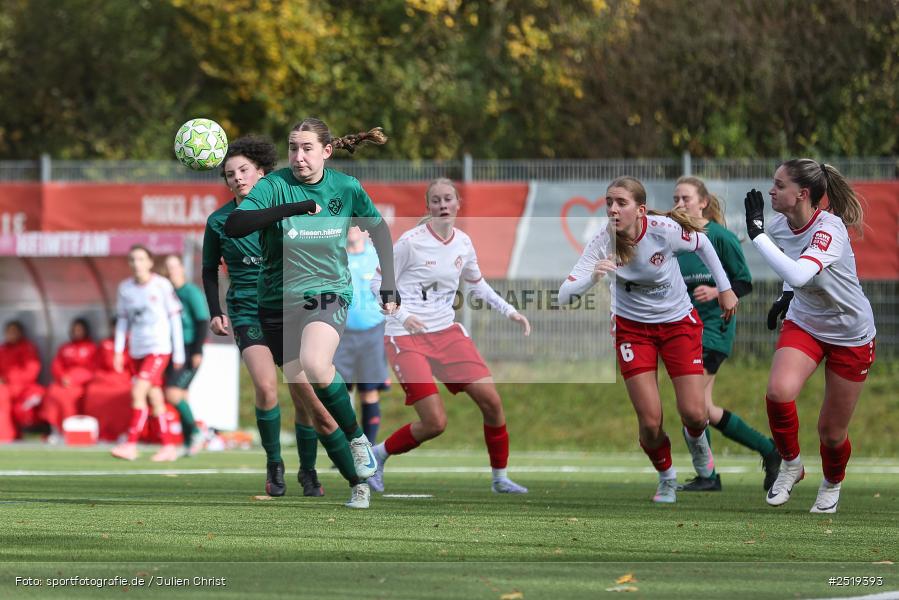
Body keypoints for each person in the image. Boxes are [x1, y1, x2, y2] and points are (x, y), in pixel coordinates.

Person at [224, 119, 400, 509]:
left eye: (307, 148)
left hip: (327, 292)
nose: (298, 156)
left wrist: (389, 281)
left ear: (326, 151)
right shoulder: (273, 186)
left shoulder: (346, 188)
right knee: (315, 410)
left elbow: (380, 229)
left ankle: (359, 442)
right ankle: (359, 482)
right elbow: (236, 224)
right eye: (293, 148)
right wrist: (296, 206)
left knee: (317, 363)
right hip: (274, 303)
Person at [559, 176, 738, 504]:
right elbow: (563, 296)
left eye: (621, 203)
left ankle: (698, 444)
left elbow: (704, 244)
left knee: (695, 413)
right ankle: (667, 476)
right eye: (609, 202)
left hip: (677, 325)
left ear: (640, 210)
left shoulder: (662, 230)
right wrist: (592, 277)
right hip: (632, 330)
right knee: (650, 423)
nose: (613, 209)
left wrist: (725, 289)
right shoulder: (602, 241)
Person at [369, 178, 531, 494]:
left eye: (448, 199)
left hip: (446, 333)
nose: (443, 205)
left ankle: (500, 478)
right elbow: (377, 283)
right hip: (404, 336)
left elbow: (476, 283)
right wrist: (402, 315)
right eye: (436, 201)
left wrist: (509, 310)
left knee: (492, 402)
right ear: (428, 207)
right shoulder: (410, 242)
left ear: (458, 204)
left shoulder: (464, 243)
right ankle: (379, 454)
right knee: (435, 423)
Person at [203, 134, 332, 497]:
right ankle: (274, 464)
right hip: (246, 309)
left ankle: (308, 470)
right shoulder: (220, 221)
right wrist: (216, 312)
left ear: (261, 172)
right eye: (230, 174)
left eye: (244, 170)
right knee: (266, 387)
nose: (238, 178)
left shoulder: (286, 208)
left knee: (304, 393)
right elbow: (209, 269)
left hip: (289, 307)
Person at [743, 159, 875, 513]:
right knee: (778, 391)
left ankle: (832, 483)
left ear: (802, 194)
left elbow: (801, 273)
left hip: (850, 332)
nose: (771, 190)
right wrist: (784, 296)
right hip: (806, 323)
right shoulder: (780, 225)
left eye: (779, 184)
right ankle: (791, 464)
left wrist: (758, 237)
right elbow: (793, 271)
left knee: (831, 433)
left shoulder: (829, 229)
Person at [672, 176, 780, 491]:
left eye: (686, 199)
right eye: (676, 199)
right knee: (703, 408)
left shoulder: (719, 237)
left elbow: (744, 281)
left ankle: (708, 475)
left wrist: (718, 289)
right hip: (685, 330)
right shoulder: (677, 239)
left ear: (703, 202)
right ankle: (768, 449)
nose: (679, 204)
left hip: (714, 330)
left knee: (692, 405)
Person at [110, 245, 185, 462]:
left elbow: (174, 319)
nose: (137, 264)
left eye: (142, 259)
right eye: (133, 259)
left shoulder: (161, 285)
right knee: (154, 396)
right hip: (137, 349)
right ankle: (169, 446)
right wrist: (118, 350)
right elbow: (123, 321)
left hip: (158, 348)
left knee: (138, 392)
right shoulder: (125, 288)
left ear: (150, 262)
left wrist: (178, 353)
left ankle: (131, 443)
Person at [333, 225, 390, 444]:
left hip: (372, 333)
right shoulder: (335, 256)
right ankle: (348, 449)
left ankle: (370, 448)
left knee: (369, 391)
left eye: (356, 224)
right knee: (340, 395)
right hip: (340, 334)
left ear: (365, 230)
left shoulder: (377, 256)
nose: (351, 229)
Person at [162, 254, 210, 456]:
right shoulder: (167, 293)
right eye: (168, 267)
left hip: (190, 349)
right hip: (174, 349)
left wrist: (197, 350)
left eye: (174, 266)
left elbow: (202, 320)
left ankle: (198, 433)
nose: (172, 271)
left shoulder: (190, 292)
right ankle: (189, 440)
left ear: (182, 268)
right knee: (181, 395)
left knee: (171, 393)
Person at [39, 318, 98, 443]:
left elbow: (93, 368)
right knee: (53, 392)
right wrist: (62, 378)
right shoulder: (65, 347)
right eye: (74, 329)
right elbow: (56, 365)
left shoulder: (91, 347)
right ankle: (54, 430)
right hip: (63, 382)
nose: (77, 332)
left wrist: (75, 379)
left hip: (80, 384)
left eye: (79, 329)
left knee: (67, 397)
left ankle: (68, 430)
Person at [0, 320, 45, 436]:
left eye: (14, 331)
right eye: (9, 332)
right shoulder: (3, 349)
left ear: (20, 333)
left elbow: (31, 372)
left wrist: (8, 380)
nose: (11, 334)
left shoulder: (28, 348)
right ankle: (6, 435)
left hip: (26, 389)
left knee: (22, 408)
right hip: (7, 389)